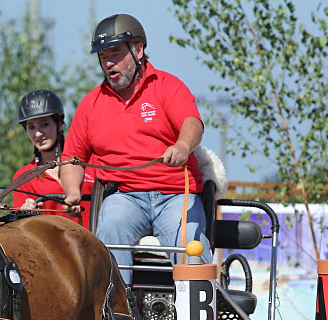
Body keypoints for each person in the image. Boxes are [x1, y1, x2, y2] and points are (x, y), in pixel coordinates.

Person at [60, 13, 209, 283]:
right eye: (103, 56)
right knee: (110, 236)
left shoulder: (167, 86)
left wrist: (182, 145)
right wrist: (71, 193)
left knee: (190, 246)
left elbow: (192, 123)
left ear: (138, 49)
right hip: (124, 197)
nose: (108, 62)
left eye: (115, 53)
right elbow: (73, 159)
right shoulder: (91, 104)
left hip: (176, 194)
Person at [11, 89, 94, 227]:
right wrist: (24, 216)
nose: (38, 133)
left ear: (60, 123)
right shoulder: (24, 177)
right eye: (31, 127)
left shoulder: (90, 163)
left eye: (44, 124)